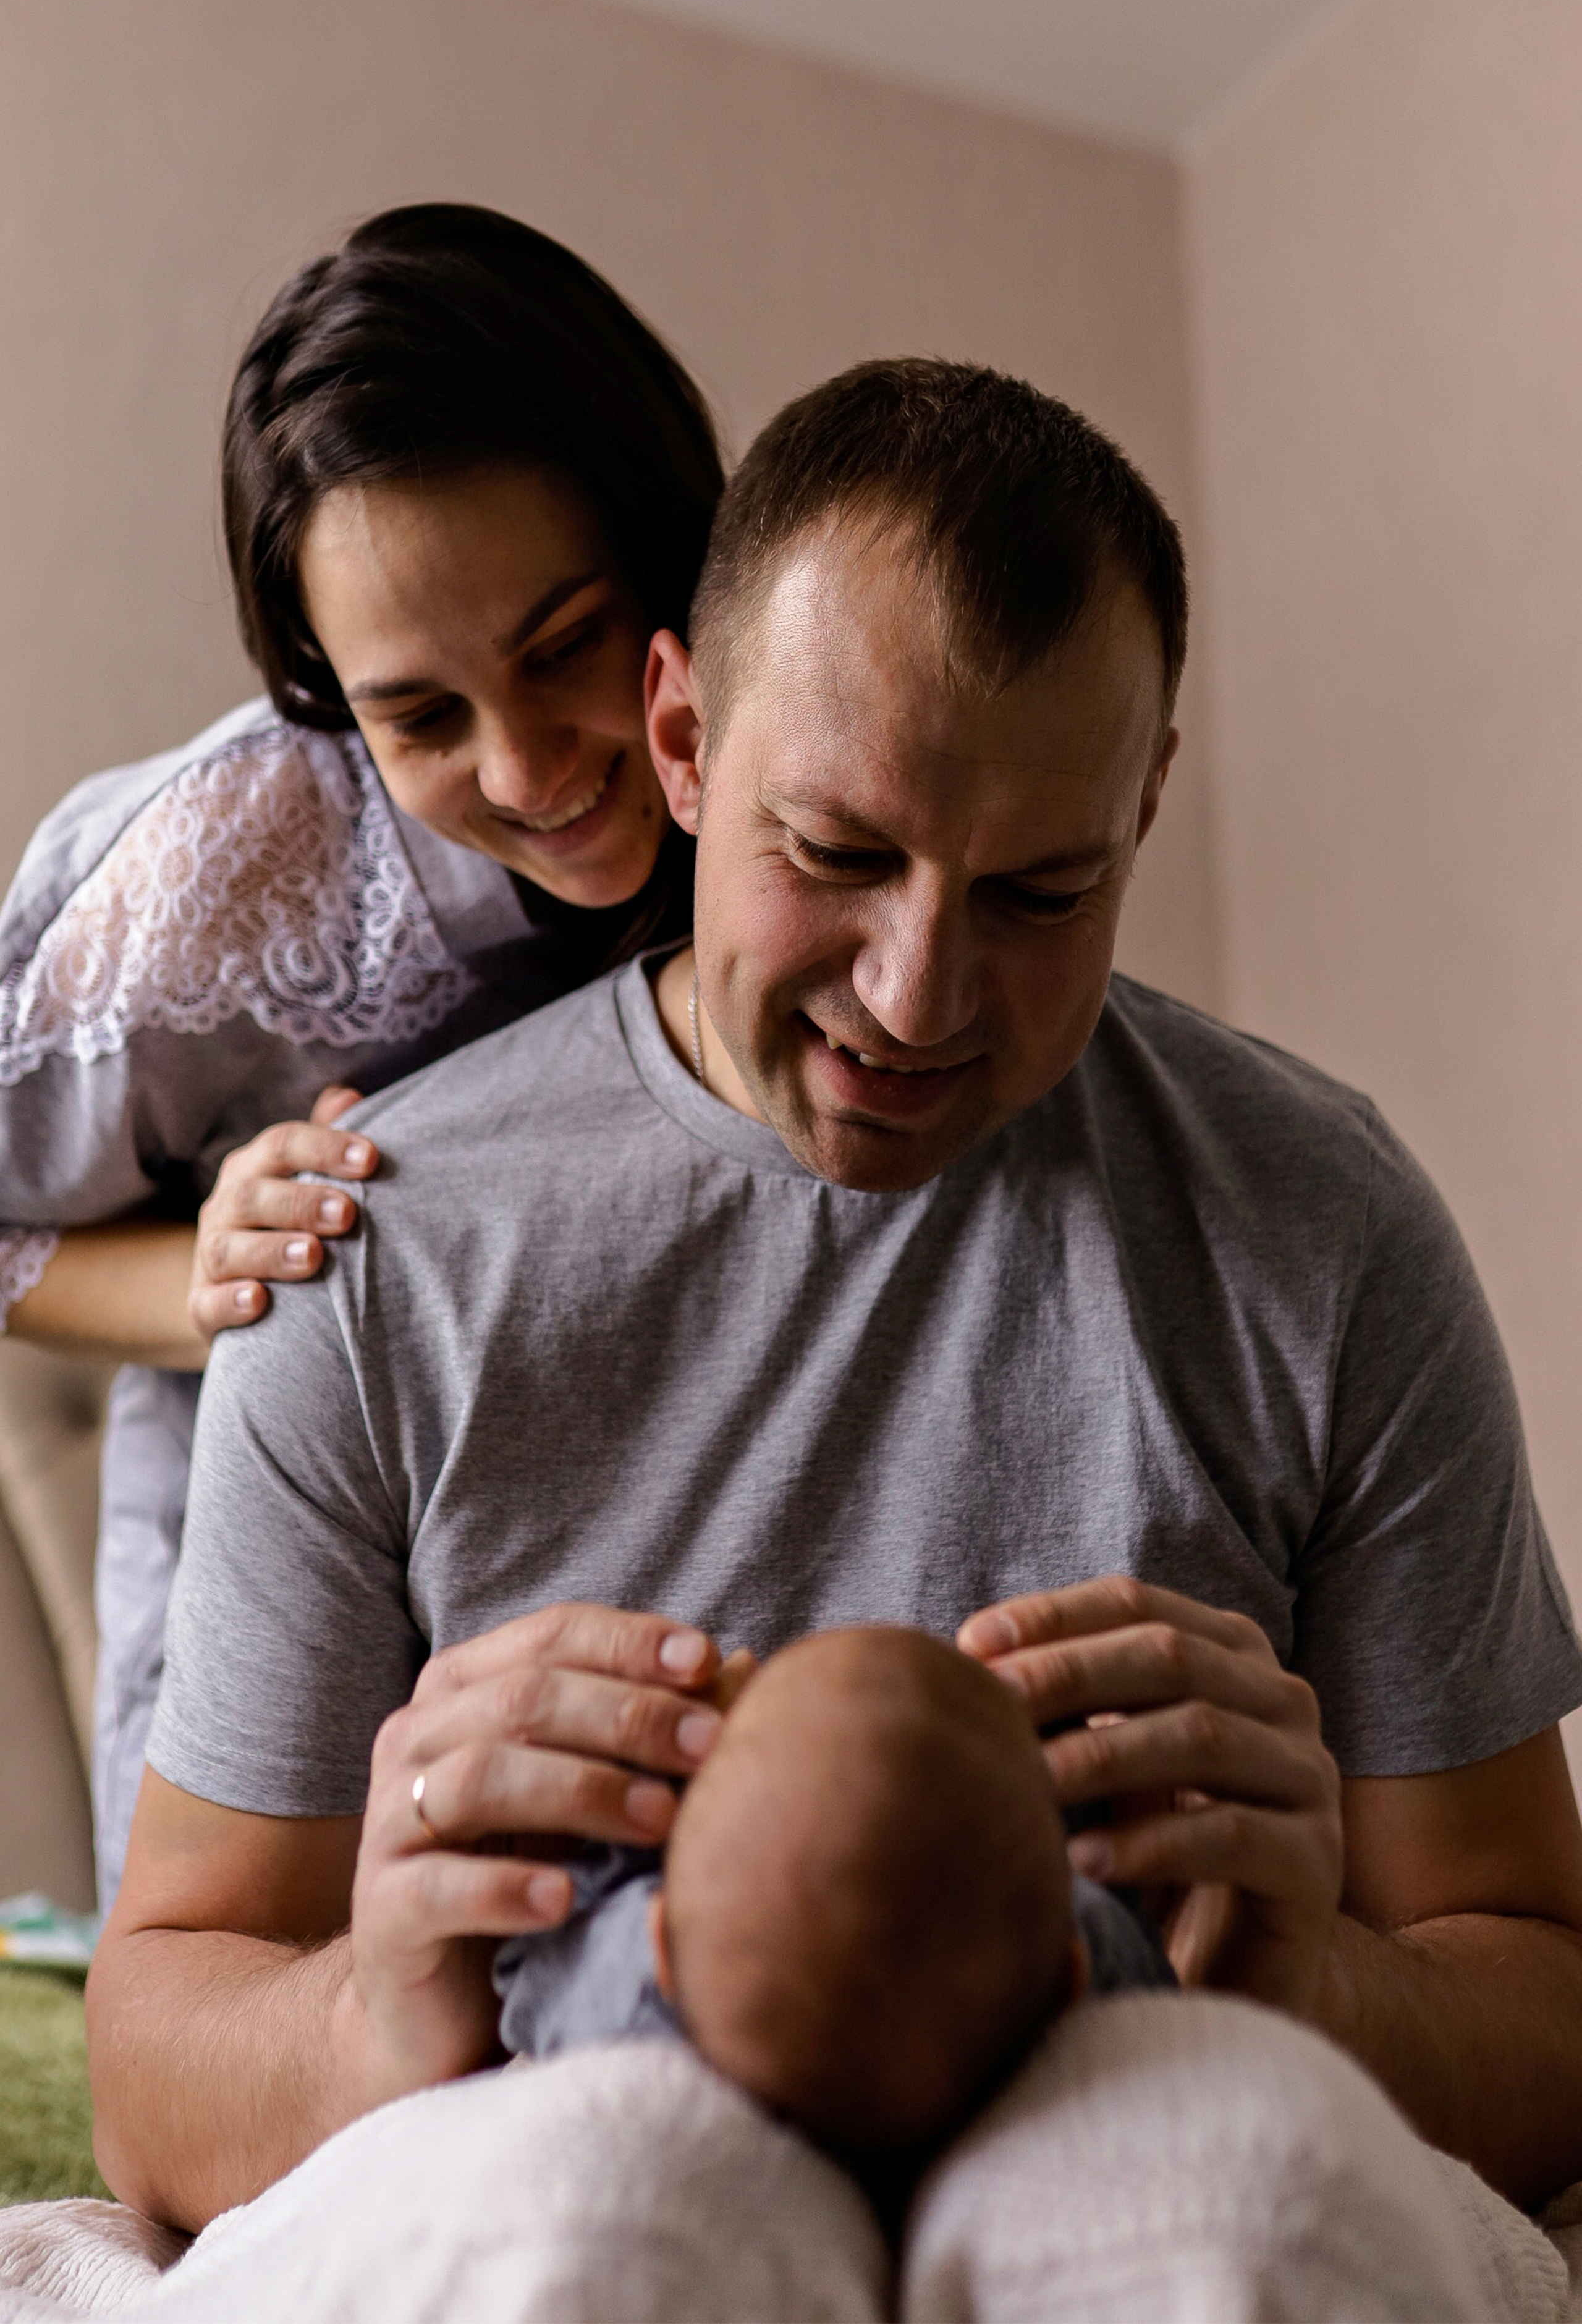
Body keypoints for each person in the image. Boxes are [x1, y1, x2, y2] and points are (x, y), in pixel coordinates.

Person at [90, 361, 1582, 2282]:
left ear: (1145, 801)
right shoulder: (374, 1253)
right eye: (838, 853)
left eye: (1042, 889)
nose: (918, 993)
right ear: (683, 739)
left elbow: (1536, 1988)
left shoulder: (1326, 1232)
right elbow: (156, 2045)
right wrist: (383, 2012)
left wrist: (1325, 1992)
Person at [0, 202, 721, 1908]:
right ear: (327, 691)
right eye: (421, 714)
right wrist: (208, 1275)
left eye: (565, 644)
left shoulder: (777, 747)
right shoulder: (221, 879)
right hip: (275, 1660)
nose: (528, 765)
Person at [493, 1625, 1174, 2156]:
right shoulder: (1075, 1950)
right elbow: (1143, 1973)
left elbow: (532, 1974)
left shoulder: (629, 1997)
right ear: (1068, 1985)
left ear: (661, 1944)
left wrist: (641, 1811)